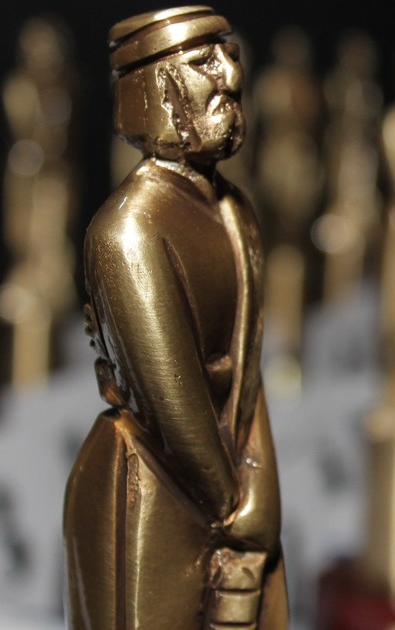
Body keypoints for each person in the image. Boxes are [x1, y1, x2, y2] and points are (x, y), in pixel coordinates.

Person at [63, 8, 286, 628]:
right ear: (156, 89)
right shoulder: (128, 233)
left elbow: (249, 374)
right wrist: (235, 507)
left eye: (229, 56)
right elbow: (169, 404)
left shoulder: (237, 212)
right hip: (152, 489)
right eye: (203, 63)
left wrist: (261, 494)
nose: (230, 77)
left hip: (234, 487)